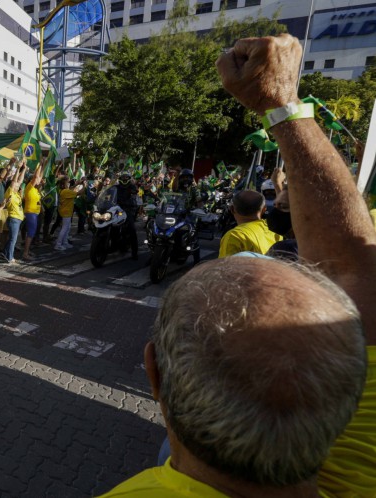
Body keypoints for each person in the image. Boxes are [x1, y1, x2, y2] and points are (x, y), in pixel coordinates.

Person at [99, 33, 376, 497]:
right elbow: (352, 260)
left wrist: (281, 105)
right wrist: (284, 105)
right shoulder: (361, 464)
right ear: (350, 393)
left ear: (156, 377)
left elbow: (351, 265)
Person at [218, 190, 281, 258]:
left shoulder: (234, 236)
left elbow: (225, 266)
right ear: (264, 209)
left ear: (232, 209)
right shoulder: (275, 229)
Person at [2, 164, 25, 264]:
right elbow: (14, 181)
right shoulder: (9, 192)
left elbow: (19, 181)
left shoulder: (16, 193)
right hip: (14, 219)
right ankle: (9, 257)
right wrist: (18, 168)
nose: (18, 185)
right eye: (15, 185)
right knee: (13, 239)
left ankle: (5, 253)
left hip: (18, 219)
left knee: (12, 239)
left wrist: (24, 169)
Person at [53, 177, 83, 251]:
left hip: (67, 212)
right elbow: (79, 193)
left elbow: (71, 189)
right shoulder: (66, 191)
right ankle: (58, 244)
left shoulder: (65, 190)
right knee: (64, 228)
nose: (69, 183)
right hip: (66, 212)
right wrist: (85, 185)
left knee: (67, 228)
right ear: (65, 184)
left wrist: (77, 184)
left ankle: (65, 242)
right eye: (68, 182)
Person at [22, 164, 44, 261]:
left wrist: (44, 165)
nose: (40, 180)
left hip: (35, 213)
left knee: (32, 233)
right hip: (30, 213)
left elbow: (40, 177)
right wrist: (39, 165)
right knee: (30, 232)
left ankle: (27, 250)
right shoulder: (29, 187)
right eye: (38, 179)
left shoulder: (35, 189)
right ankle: (25, 253)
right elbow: (36, 177)